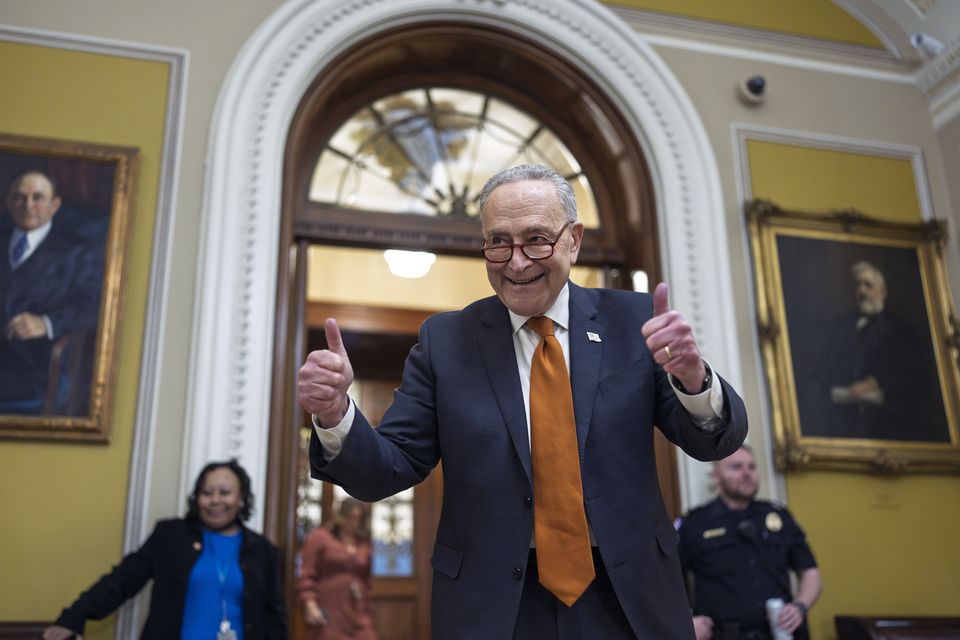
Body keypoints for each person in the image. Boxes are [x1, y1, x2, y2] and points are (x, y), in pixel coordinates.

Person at [297, 163, 748, 639]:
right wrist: (333, 414)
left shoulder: (631, 322)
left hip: (627, 593)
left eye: (536, 239)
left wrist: (694, 381)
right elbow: (386, 468)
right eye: (498, 242)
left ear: (573, 239)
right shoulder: (446, 341)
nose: (516, 262)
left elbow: (713, 444)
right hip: (496, 604)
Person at [42, 459, 287, 640]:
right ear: (196, 498)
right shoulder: (170, 536)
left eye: (225, 493)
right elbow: (121, 581)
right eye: (206, 492)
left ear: (241, 498)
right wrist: (74, 617)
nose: (215, 500)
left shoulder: (263, 551)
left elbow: (275, 621)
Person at [677, 445, 822, 640]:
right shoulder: (694, 524)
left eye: (752, 467)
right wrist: (683, 622)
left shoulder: (778, 516)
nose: (747, 473)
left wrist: (800, 606)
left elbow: (810, 573)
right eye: (736, 467)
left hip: (781, 634)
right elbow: (663, 579)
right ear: (716, 476)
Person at [801, 260, 942, 441]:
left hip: (885, 421)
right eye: (858, 285)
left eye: (868, 285)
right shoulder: (842, 326)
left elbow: (912, 375)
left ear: (882, 291)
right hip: (841, 418)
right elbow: (824, 367)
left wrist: (874, 382)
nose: (862, 291)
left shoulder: (899, 330)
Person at [0, 170, 103, 414]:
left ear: (54, 205)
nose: (28, 206)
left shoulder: (76, 253)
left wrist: (46, 323)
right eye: (19, 197)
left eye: (38, 198)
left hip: (34, 364)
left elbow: (94, 305)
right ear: (8, 202)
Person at [298, 498, 378, 640]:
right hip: (329, 611)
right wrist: (310, 604)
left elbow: (367, 580)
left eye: (359, 519)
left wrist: (367, 604)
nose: (354, 523)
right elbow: (307, 573)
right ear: (341, 516)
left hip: (357, 611)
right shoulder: (320, 537)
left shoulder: (363, 543)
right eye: (351, 517)